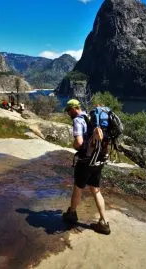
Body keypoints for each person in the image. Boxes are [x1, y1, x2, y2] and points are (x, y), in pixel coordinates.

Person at [62, 99, 111, 235]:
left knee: (78, 188)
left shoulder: (78, 120)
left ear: (73, 109)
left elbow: (79, 142)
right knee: (96, 190)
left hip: (86, 161)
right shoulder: (90, 117)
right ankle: (104, 222)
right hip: (99, 159)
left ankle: (71, 214)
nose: (68, 114)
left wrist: (74, 145)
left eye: (68, 111)